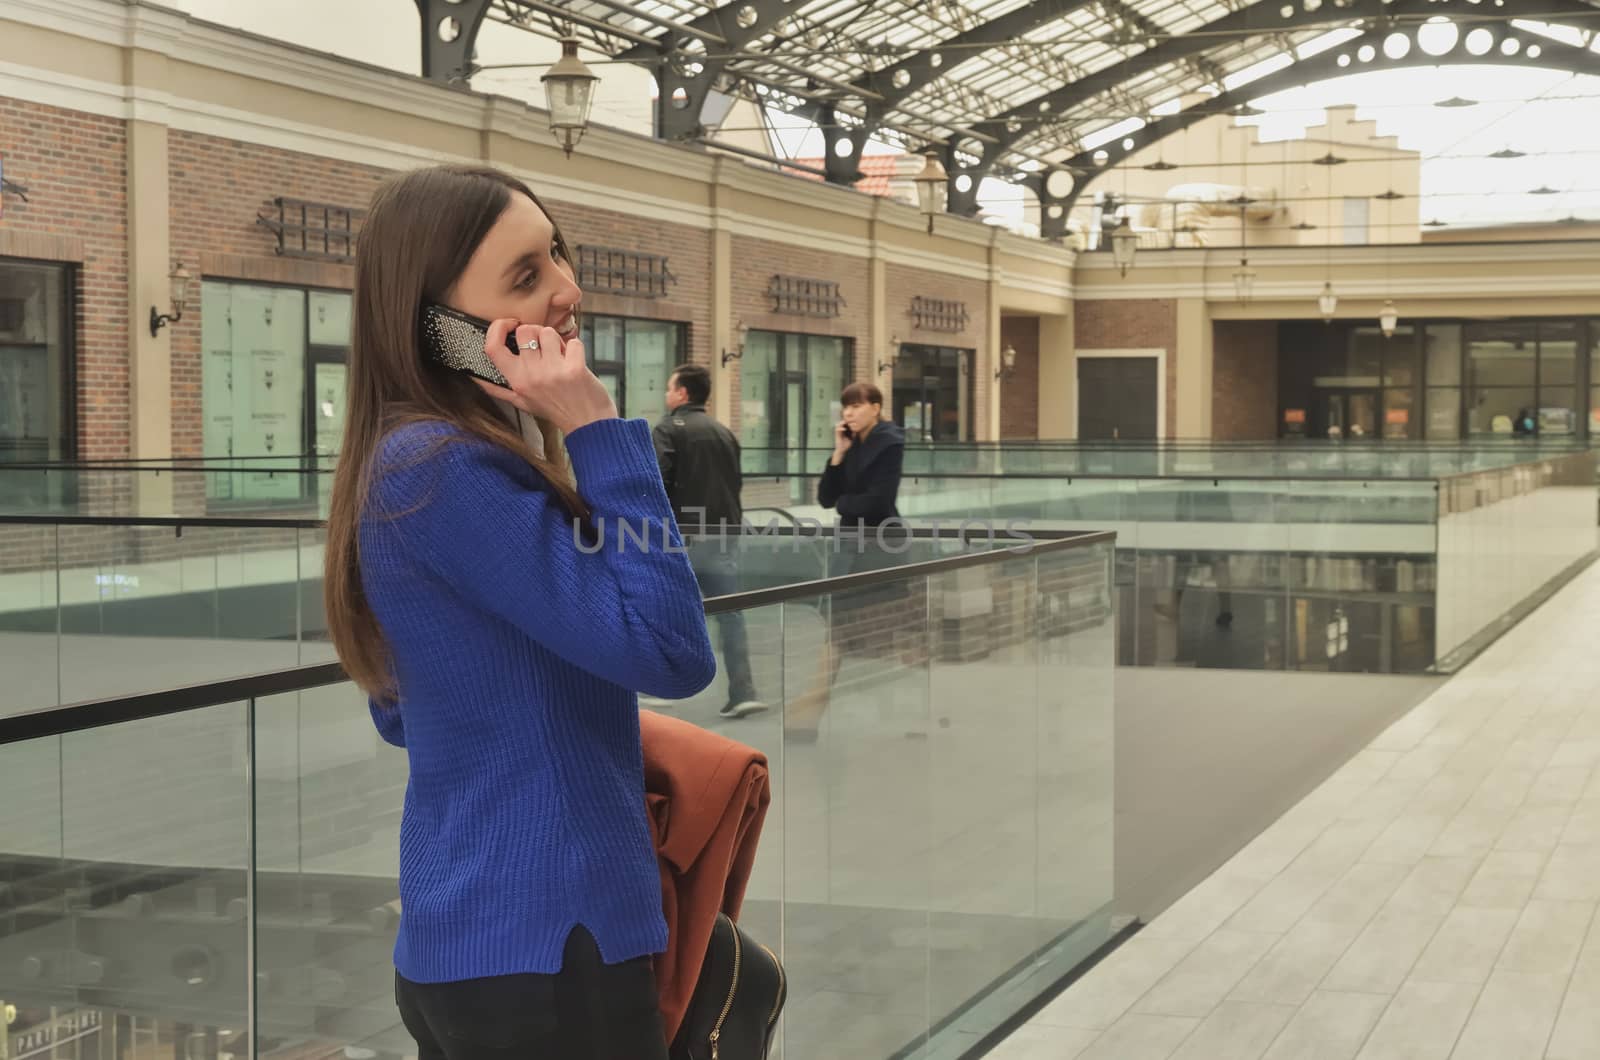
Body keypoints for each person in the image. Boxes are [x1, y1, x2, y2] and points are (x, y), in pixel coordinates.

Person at [323, 164, 717, 1060]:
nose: (570, 290)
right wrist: (598, 431)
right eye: (527, 276)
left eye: (558, 255)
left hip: (476, 939)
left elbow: (404, 711)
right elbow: (671, 650)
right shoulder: (447, 470)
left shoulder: (400, 459)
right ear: (443, 330)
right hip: (552, 951)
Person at [785, 382, 906, 741]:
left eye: (856, 406)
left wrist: (844, 502)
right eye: (845, 407)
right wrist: (838, 453)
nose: (848, 413)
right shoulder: (851, 443)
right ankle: (809, 712)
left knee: (869, 629)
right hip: (851, 546)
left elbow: (878, 501)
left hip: (880, 547)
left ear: (876, 407)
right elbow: (825, 497)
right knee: (840, 627)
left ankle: (810, 712)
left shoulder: (890, 442)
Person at [650, 363, 768, 719]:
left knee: (661, 607)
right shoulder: (723, 432)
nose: (667, 395)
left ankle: (658, 685)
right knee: (731, 613)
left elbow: (655, 484)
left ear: (682, 394)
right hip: (724, 537)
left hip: (683, 539)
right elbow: (735, 485)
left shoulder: (669, 429)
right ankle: (743, 691)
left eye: (670, 388)